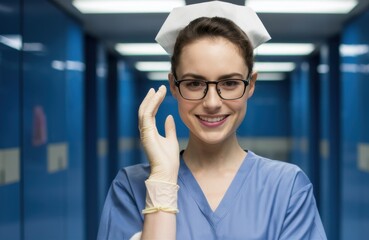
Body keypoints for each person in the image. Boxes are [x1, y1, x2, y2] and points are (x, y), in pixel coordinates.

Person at [97, 1, 326, 239]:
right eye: (194, 83)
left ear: (251, 85)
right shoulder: (132, 188)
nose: (212, 102)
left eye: (230, 83)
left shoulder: (287, 187)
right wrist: (162, 182)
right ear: (174, 86)